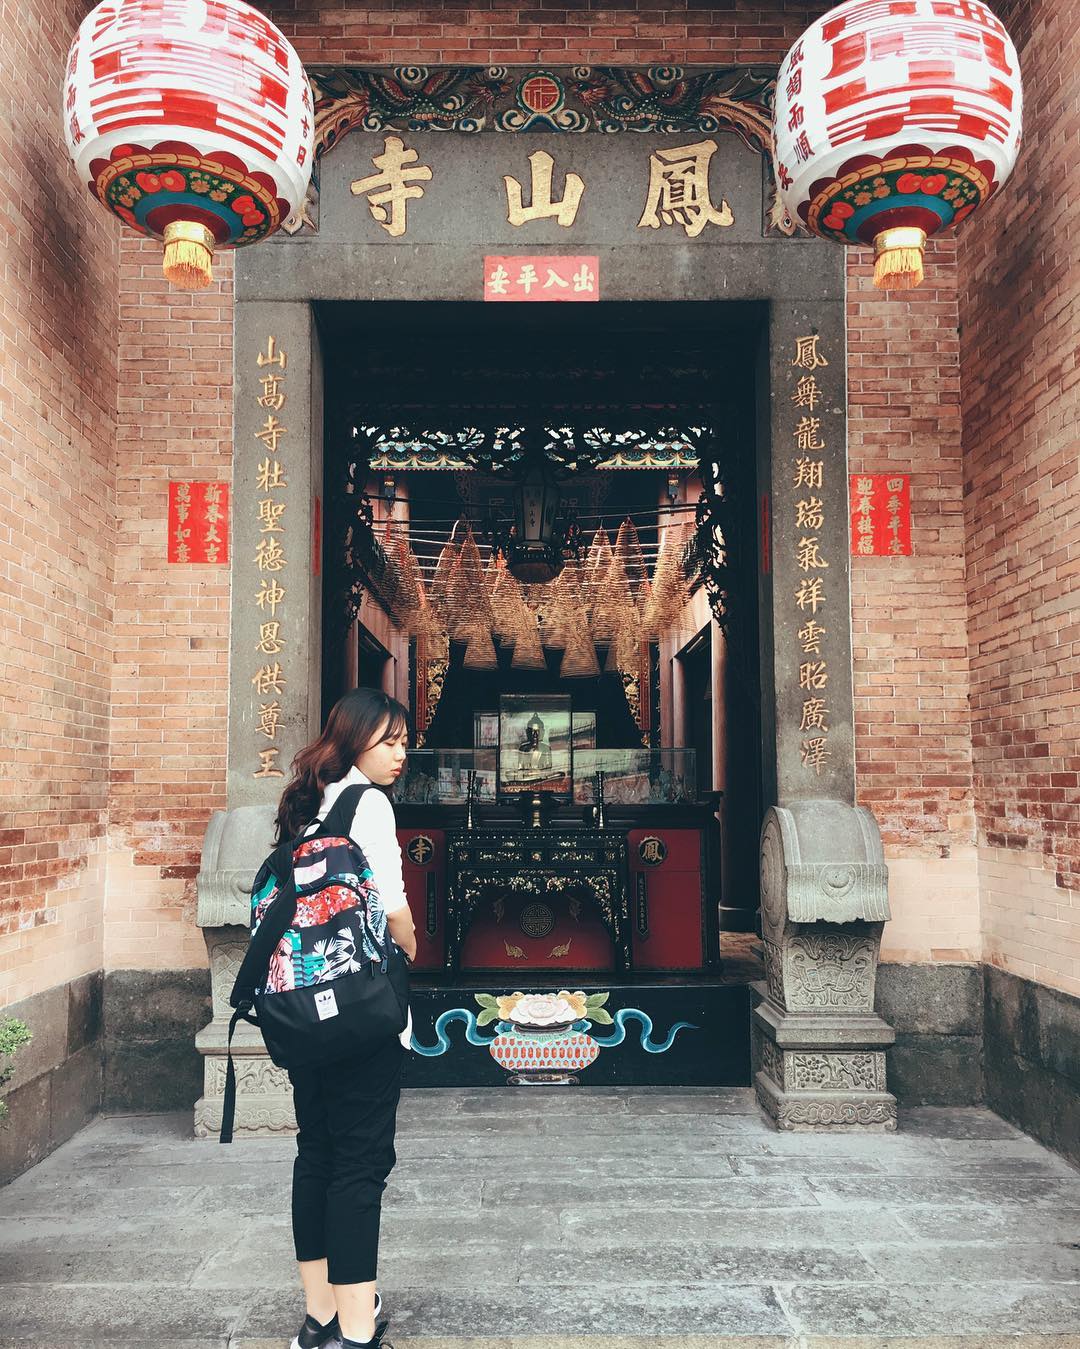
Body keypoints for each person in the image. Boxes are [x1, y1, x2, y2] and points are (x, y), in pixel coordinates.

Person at [273, 687, 417, 1349]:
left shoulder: (306, 801)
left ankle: (320, 1319)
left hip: (304, 1011)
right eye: (389, 740)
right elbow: (394, 908)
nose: (400, 753)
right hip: (361, 1013)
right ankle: (358, 1334)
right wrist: (410, 949)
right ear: (356, 739)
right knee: (360, 1164)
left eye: (405, 741)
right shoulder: (369, 804)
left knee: (318, 1155)